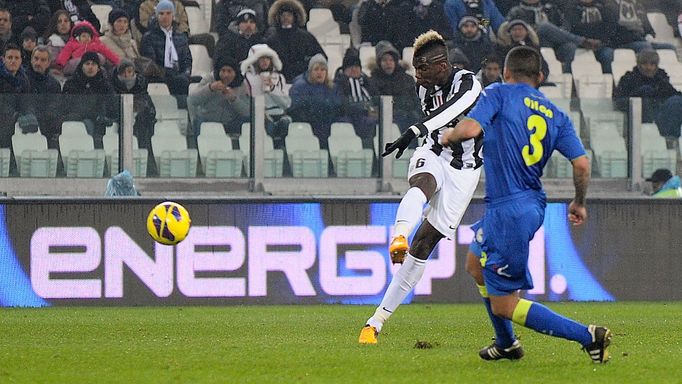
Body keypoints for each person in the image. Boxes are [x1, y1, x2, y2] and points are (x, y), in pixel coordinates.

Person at [440, 45, 612, 363]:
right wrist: (579, 202)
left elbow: (472, 128)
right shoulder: (556, 115)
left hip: (509, 211)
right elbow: (582, 164)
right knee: (475, 264)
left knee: (505, 304)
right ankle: (506, 344)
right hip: (527, 203)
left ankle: (589, 337)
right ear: (541, 77)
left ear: (506, 74)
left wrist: (449, 135)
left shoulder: (499, 94)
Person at [358, 30, 482, 344]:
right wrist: (420, 133)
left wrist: (414, 128)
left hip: (465, 170)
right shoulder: (423, 86)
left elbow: (455, 109)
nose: (417, 76)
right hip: (434, 150)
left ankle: (378, 318)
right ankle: (398, 235)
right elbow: (437, 122)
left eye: (422, 69)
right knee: (423, 183)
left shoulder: (469, 83)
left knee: (424, 245)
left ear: (441, 66)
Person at [614, 49, 682, 148]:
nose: (648, 67)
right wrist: (639, 95)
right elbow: (619, 100)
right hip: (638, 118)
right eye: (645, 63)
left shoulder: (661, 79)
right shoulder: (628, 79)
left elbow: (672, 93)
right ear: (638, 64)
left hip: (661, 117)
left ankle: (671, 140)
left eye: (652, 64)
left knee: (676, 101)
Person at [139, 0, 192, 109]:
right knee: (180, 82)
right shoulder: (148, 37)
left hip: (179, 75)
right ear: (157, 16)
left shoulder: (181, 37)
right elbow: (150, 64)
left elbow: (187, 60)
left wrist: (185, 73)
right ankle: (181, 112)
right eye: (161, 13)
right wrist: (169, 73)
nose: (165, 17)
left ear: (173, 15)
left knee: (197, 81)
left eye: (168, 13)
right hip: (159, 76)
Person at [368, 40, 421, 140]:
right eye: (384, 60)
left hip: (407, 118)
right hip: (384, 120)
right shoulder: (373, 81)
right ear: (379, 63)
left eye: (391, 60)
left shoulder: (407, 79)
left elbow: (415, 100)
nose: (388, 63)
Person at [188, 55, 250, 141]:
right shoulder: (209, 79)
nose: (226, 75)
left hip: (231, 122)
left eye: (229, 71)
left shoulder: (241, 84)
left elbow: (247, 112)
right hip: (207, 119)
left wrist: (234, 99)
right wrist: (210, 88)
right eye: (223, 71)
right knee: (199, 122)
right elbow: (193, 100)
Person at [241, 43, 291, 148]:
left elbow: (286, 103)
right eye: (261, 58)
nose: (264, 61)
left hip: (279, 114)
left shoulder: (279, 78)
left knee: (287, 123)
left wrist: (272, 88)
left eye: (267, 58)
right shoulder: (247, 80)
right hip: (260, 116)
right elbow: (247, 102)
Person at [288, 53, 341, 150]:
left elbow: (337, 106)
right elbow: (296, 108)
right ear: (310, 71)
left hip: (327, 123)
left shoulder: (332, 87)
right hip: (308, 124)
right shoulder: (300, 86)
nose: (319, 73)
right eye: (316, 69)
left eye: (322, 69)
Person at [264, 0, 325, 81]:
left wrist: (303, 66)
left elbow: (321, 58)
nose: (286, 18)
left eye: (289, 15)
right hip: (278, 80)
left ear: (295, 17)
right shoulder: (272, 40)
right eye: (283, 15)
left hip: (304, 79)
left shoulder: (306, 37)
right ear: (278, 17)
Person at [62, 51, 117, 140]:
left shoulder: (105, 85)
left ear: (98, 68)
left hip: (101, 125)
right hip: (77, 127)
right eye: (87, 63)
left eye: (94, 64)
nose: (90, 67)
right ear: (82, 66)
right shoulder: (71, 84)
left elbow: (112, 106)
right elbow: (68, 107)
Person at [334, 48, 379, 149]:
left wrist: (376, 110)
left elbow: (377, 99)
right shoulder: (339, 84)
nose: (354, 69)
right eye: (350, 67)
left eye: (356, 66)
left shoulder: (368, 82)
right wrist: (364, 109)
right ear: (344, 69)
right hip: (351, 116)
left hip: (369, 115)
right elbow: (341, 104)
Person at [55, 21, 121, 76]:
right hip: (78, 63)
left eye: (88, 36)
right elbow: (65, 53)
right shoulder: (72, 44)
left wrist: (117, 62)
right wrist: (60, 64)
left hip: (92, 64)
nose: (87, 38)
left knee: (99, 57)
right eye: (84, 36)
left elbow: (107, 52)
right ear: (78, 37)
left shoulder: (95, 44)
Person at [26, 45, 63, 144]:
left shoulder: (54, 84)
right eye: (36, 58)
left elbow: (55, 107)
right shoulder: (22, 79)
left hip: (46, 124)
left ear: (48, 63)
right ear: (31, 60)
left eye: (43, 60)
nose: (38, 63)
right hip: (26, 122)